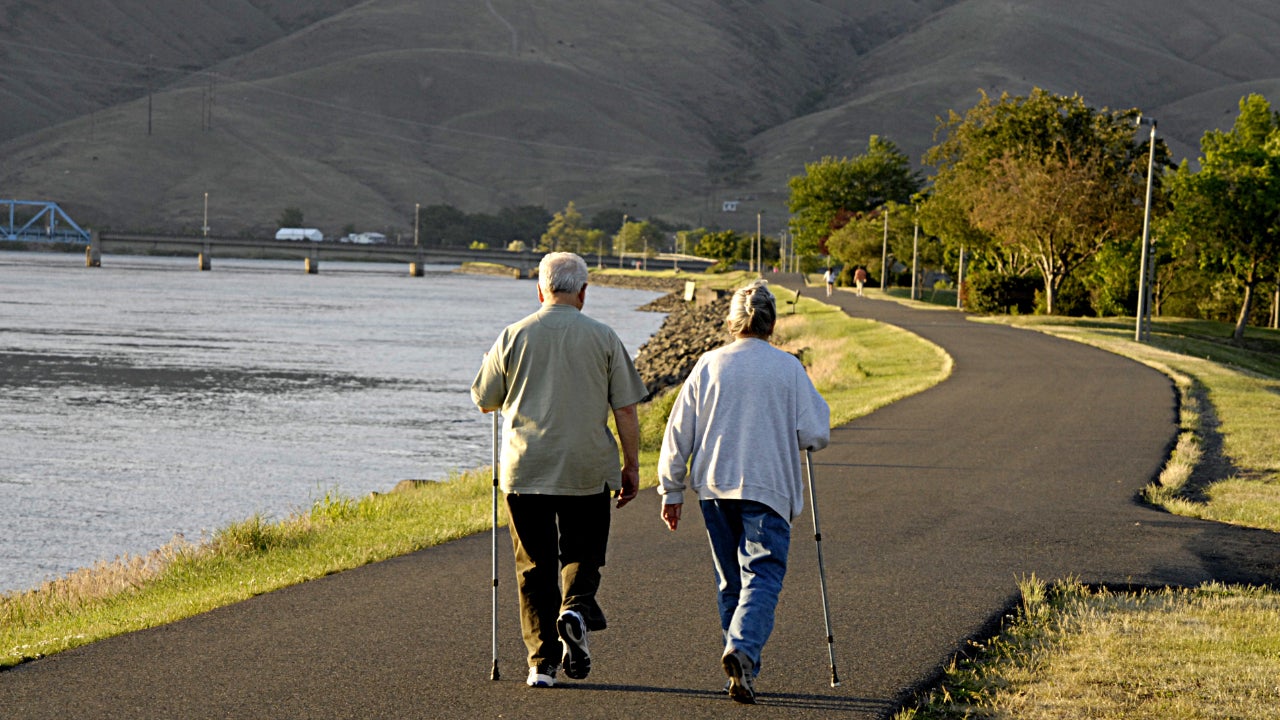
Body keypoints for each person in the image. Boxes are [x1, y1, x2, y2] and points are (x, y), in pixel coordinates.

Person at [471, 252, 647, 689]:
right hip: (586, 466)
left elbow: (484, 399)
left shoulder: (513, 335)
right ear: (583, 292)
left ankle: (542, 664)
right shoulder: (604, 337)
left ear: (540, 289)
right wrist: (631, 465)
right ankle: (576, 607)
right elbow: (624, 408)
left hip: (526, 467)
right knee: (583, 552)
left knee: (533, 564)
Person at [656, 279, 831, 704]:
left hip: (715, 487)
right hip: (767, 486)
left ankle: (740, 666)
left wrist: (671, 490)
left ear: (732, 323)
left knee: (730, 580)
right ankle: (743, 651)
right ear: (772, 324)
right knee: (764, 575)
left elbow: (679, 432)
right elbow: (815, 432)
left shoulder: (709, 364)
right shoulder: (788, 368)